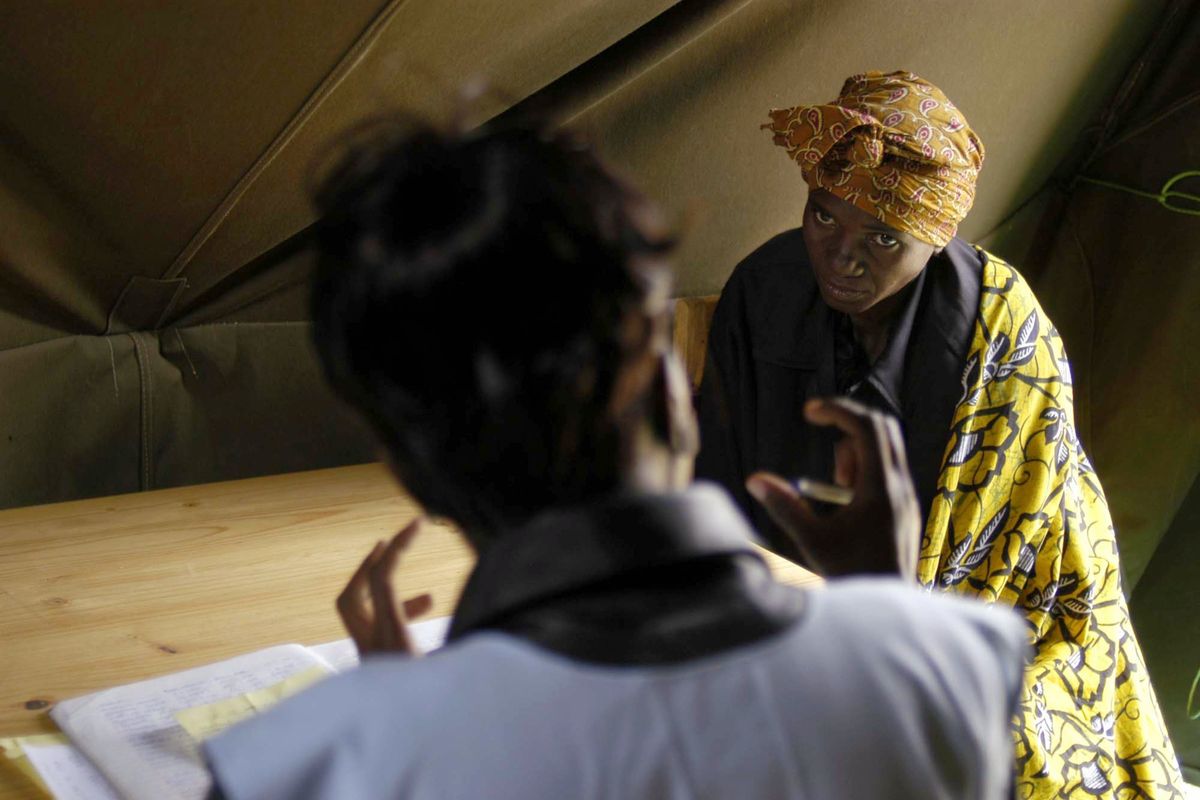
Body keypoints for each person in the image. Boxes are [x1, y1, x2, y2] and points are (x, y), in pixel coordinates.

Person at [202, 117, 1026, 799]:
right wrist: (888, 612)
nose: (845, 255)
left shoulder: (312, 766)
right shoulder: (951, 672)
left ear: (410, 470)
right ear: (673, 389)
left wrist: (396, 719)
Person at [695, 71, 1185, 798]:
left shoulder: (1004, 340)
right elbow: (717, 481)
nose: (841, 256)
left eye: (883, 237)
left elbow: (994, 560)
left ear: (936, 239)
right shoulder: (764, 291)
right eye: (824, 217)